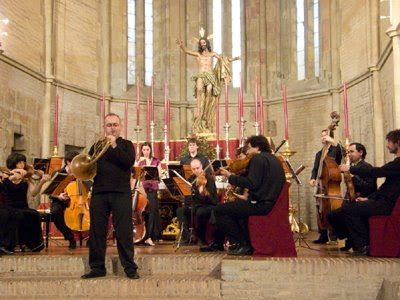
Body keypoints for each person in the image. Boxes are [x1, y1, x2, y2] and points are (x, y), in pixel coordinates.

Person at [81, 113, 139, 279]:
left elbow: (127, 162)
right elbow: (88, 168)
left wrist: (113, 146)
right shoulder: (96, 146)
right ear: (104, 127)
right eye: (109, 125)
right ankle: (97, 268)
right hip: (99, 192)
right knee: (97, 232)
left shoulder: (126, 145)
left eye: (115, 125)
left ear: (120, 127)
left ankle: (130, 268)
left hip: (121, 193)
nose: (112, 128)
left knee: (124, 231)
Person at [216, 135, 286, 255]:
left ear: (257, 147)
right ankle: (246, 243)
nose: (247, 152)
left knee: (219, 210)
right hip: (271, 204)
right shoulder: (276, 160)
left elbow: (252, 184)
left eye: (248, 148)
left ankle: (243, 243)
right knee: (238, 212)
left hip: (260, 205)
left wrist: (230, 176)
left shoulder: (257, 159)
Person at [338, 129, 400, 256]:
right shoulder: (396, 162)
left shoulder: (398, 163)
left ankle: (364, 245)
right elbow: (386, 187)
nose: (387, 145)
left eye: (389, 141)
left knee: (348, 208)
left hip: (387, 204)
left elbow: (376, 172)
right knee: (353, 207)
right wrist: (369, 199)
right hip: (383, 201)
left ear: (397, 142)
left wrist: (350, 168)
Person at [176, 33, 239, 133]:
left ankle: (206, 112)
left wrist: (233, 59)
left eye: (204, 42)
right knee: (200, 89)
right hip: (201, 74)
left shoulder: (212, 54)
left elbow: (223, 59)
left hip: (210, 75)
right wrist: (182, 46)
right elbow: (187, 51)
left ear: (207, 43)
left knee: (209, 89)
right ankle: (199, 110)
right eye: (201, 43)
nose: (202, 44)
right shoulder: (198, 54)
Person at [327, 143, 377, 251]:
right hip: (353, 199)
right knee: (332, 215)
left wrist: (352, 177)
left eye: (352, 152)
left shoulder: (366, 167)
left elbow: (369, 188)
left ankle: (357, 243)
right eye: (348, 152)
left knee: (344, 212)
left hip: (364, 200)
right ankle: (350, 238)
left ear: (361, 152)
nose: (349, 154)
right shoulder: (353, 167)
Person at [0, 153, 49, 253]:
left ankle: (28, 244)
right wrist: (13, 174)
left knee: (34, 214)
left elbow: (34, 193)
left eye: (23, 162)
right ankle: (10, 245)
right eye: (19, 162)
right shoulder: (6, 175)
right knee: (17, 215)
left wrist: (41, 182)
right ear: (14, 163)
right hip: (9, 206)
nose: (22, 164)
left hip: (22, 206)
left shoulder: (27, 177)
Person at [309, 129, 343, 244]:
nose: (323, 138)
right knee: (319, 208)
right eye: (322, 136)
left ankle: (333, 236)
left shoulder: (334, 151)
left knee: (332, 208)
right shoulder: (319, 153)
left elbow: (340, 156)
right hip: (321, 183)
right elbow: (315, 168)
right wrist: (313, 178)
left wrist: (334, 142)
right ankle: (322, 234)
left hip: (330, 184)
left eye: (325, 136)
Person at [176, 159, 219, 245]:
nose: (196, 171)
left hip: (208, 205)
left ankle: (201, 238)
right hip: (196, 205)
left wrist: (204, 193)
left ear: (202, 167)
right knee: (181, 210)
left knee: (200, 212)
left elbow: (213, 200)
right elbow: (188, 197)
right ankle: (186, 237)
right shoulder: (191, 179)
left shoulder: (209, 179)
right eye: (193, 169)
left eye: (197, 168)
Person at [48, 150, 82, 250]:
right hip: (60, 201)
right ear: (68, 162)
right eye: (75, 162)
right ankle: (70, 237)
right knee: (55, 212)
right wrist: (59, 196)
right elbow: (50, 193)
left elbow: (89, 186)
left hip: (78, 202)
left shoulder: (80, 173)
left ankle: (92, 239)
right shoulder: (58, 173)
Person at [135, 142, 162, 246]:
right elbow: (134, 174)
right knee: (142, 213)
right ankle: (140, 235)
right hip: (142, 189)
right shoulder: (140, 162)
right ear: (142, 150)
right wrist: (138, 163)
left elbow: (159, 175)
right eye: (144, 149)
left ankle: (149, 237)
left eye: (147, 149)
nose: (146, 151)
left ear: (150, 150)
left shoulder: (156, 161)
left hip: (152, 189)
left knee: (151, 212)